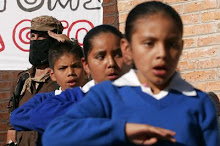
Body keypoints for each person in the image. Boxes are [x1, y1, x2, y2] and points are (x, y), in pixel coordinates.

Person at [42, 1, 220, 146]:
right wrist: (122, 130)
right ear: (127, 49)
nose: (161, 54)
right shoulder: (107, 96)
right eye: (149, 43)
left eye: (171, 44)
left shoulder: (199, 103)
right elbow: (54, 136)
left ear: (181, 48)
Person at [7, 15, 68, 146]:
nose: (35, 41)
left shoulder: (65, 78)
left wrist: (68, 46)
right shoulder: (23, 80)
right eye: (32, 36)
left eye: (41, 37)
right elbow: (12, 128)